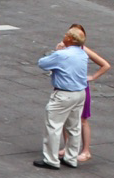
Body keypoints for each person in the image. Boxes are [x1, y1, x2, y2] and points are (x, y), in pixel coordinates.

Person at [36, 26, 91, 169]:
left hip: (64, 94)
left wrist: (57, 51)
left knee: (53, 126)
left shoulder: (62, 55)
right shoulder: (82, 53)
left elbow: (42, 63)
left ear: (71, 39)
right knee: (74, 127)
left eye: (66, 35)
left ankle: (51, 159)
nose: (64, 37)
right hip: (80, 93)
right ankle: (71, 158)